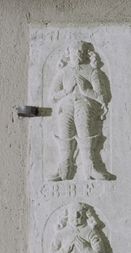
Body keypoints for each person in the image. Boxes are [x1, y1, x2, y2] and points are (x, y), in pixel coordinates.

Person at [49, 41, 114, 182]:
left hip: (85, 105)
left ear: (86, 53)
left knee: (85, 134)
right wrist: (66, 91)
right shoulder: (63, 72)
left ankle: (90, 168)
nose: (78, 53)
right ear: (69, 53)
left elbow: (102, 96)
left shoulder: (92, 71)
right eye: (75, 51)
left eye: (81, 51)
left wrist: (86, 90)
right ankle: (64, 169)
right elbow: (52, 96)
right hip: (66, 106)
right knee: (65, 135)